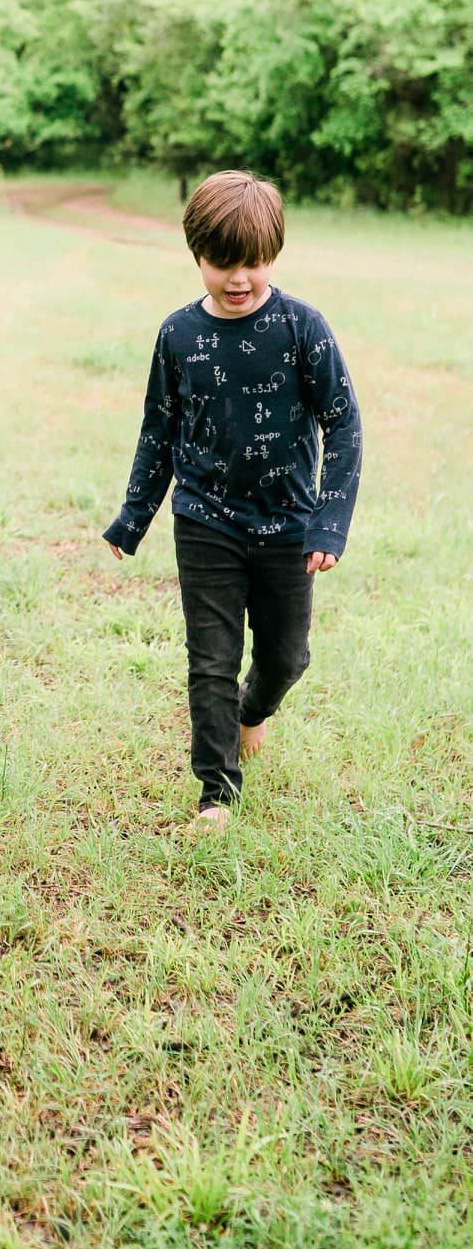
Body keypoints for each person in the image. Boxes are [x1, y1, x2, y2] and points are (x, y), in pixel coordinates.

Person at [103, 170, 363, 828]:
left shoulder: (303, 328)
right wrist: (132, 519)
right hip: (204, 521)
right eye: (222, 262)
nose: (238, 277)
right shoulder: (177, 335)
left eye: (252, 261)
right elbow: (157, 432)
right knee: (210, 660)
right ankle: (216, 792)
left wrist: (327, 526)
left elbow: (343, 424)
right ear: (196, 253)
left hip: (286, 526)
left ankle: (254, 711)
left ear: (272, 253)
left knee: (285, 658)